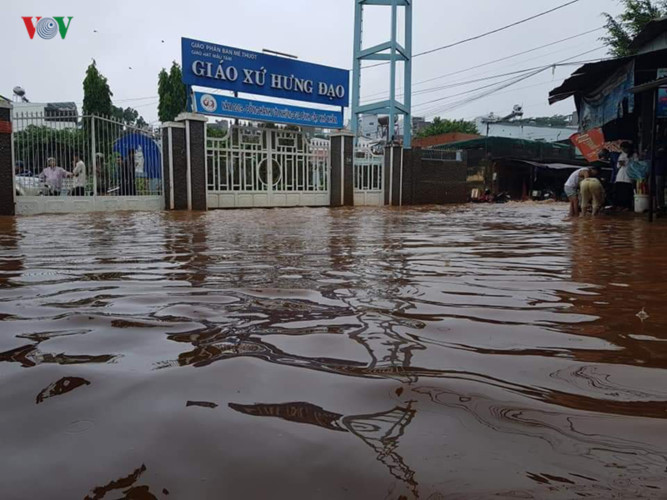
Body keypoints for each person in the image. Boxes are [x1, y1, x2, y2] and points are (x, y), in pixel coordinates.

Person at [614, 142, 634, 211]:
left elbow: (635, 164)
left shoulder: (634, 155)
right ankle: (620, 205)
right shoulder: (621, 155)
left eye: (624, 148)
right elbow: (617, 165)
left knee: (627, 191)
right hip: (621, 175)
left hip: (629, 175)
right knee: (619, 191)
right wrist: (621, 163)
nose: (623, 150)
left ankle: (627, 206)